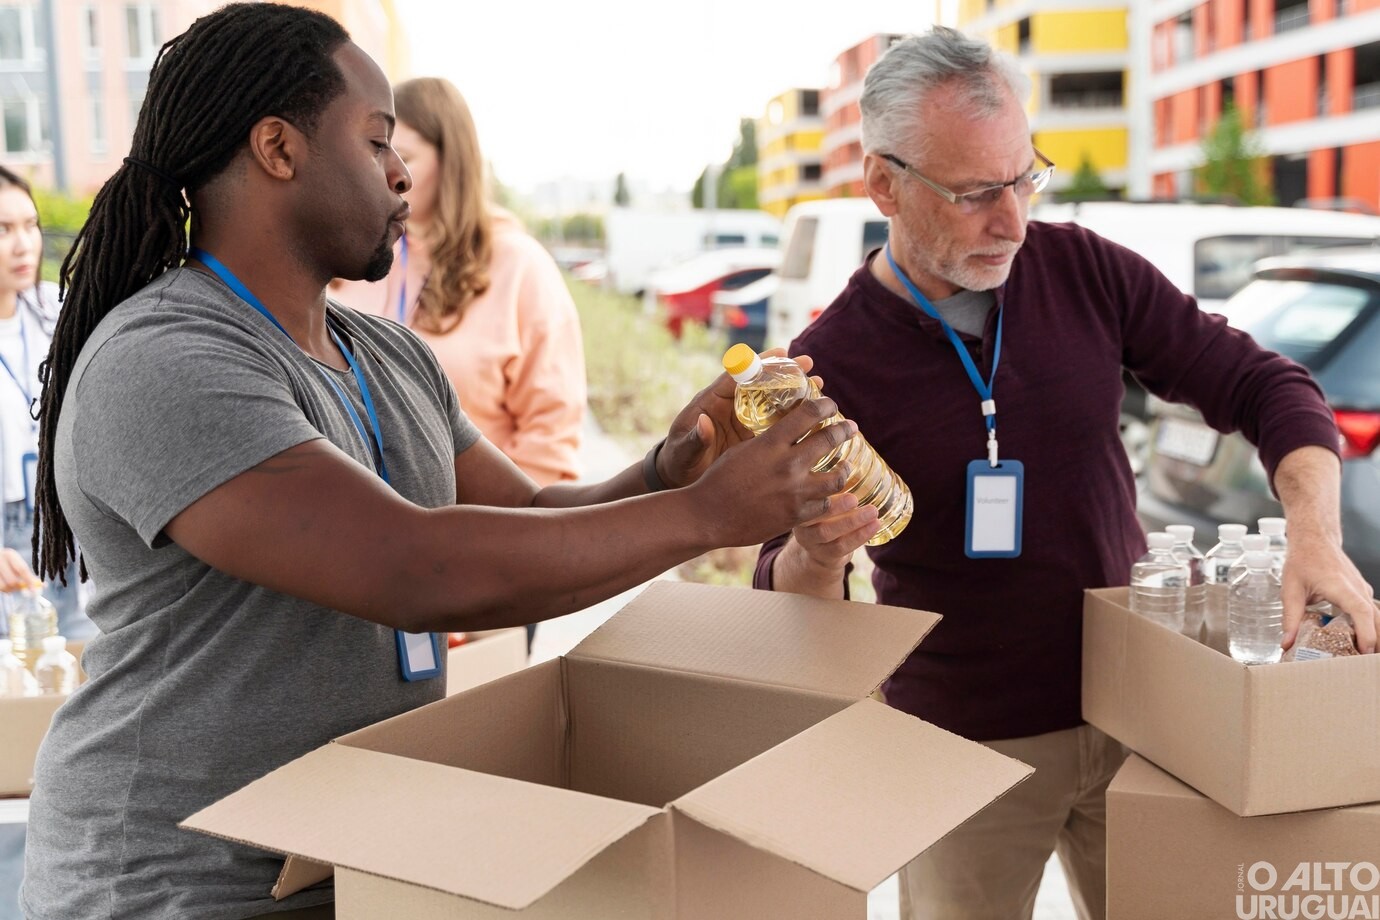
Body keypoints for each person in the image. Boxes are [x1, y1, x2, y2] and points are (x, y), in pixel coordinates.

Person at [19, 6, 853, 920]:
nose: (402, 171)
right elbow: (413, 567)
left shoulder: (387, 354)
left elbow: (528, 513)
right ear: (277, 148)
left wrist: (668, 473)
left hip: (359, 858)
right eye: (376, 140)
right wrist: (709, 519)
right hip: (176, 882)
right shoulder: (165, 360)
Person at [754, 26, 1377, 920]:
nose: (1012, 221)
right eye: (974, 195)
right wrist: (818, 557)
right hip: (957, 746)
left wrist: (1315, 535)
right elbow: (782, 589)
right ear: (883, 183)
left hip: (1143, 713)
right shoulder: (828, 364)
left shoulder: (1084, 271)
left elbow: (1266, 384)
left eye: (1024, 178)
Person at [330, 77, 586, 488]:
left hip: (479, 536)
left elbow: (549, 442)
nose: (386, 173)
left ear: (452, 160)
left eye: (405, 155)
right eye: (374, 153)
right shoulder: (355, 258)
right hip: (361, 531)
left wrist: (497, 538)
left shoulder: (519, 267)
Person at [0, 168, 90, 641]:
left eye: (30, 225)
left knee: (80, 661)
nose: (23, 244)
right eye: (3, 229)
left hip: (60, 517)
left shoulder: (55, 310)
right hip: (6, 527)